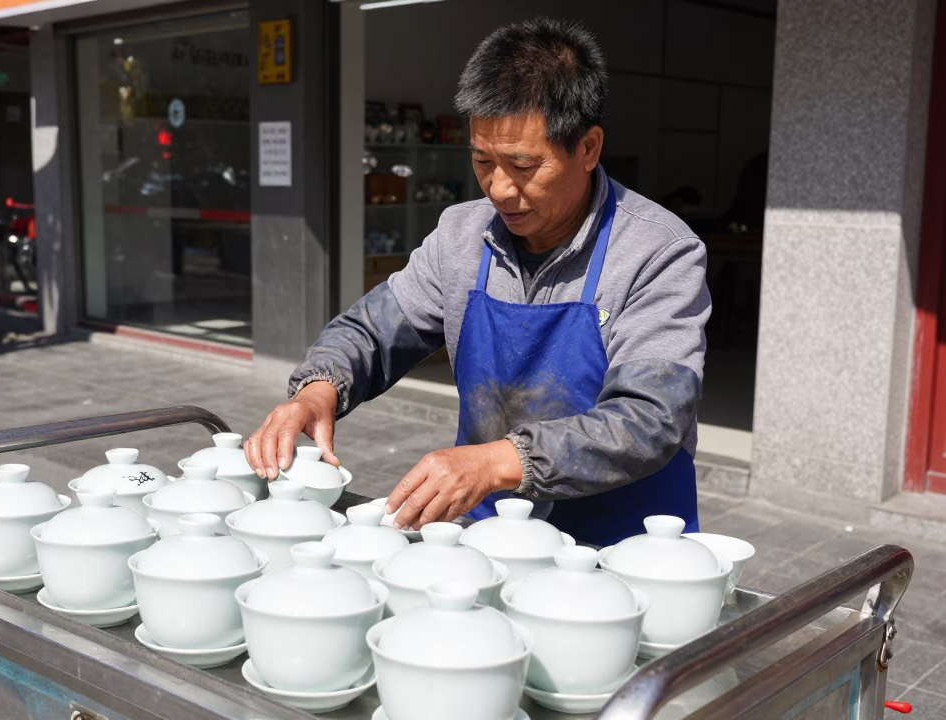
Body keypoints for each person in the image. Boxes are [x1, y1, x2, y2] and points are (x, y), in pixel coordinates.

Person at [246, 18, 711, 546]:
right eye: (482, 161)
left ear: (588, 148)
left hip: (628, 543)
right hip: (492, 535)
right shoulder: (461, 236)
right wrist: (317, 390)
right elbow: (375, 329)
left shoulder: (659, 251)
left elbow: (650, 417)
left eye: (523, 165)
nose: (499, 189)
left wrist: (495, 461)